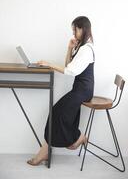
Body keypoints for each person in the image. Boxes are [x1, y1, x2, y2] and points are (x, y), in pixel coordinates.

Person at [27, 16, 95, 166]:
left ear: (83, 29)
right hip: (79, 88)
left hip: (84, 90)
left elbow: (69, 71)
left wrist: (49, 64)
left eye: (75, 30)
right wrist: (70, 48)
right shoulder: (81, 48)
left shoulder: (87, 50)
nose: (73, 33)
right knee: (56, 112)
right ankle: (47, 150)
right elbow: (68, 64)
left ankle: (76, 138)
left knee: (57, 112)